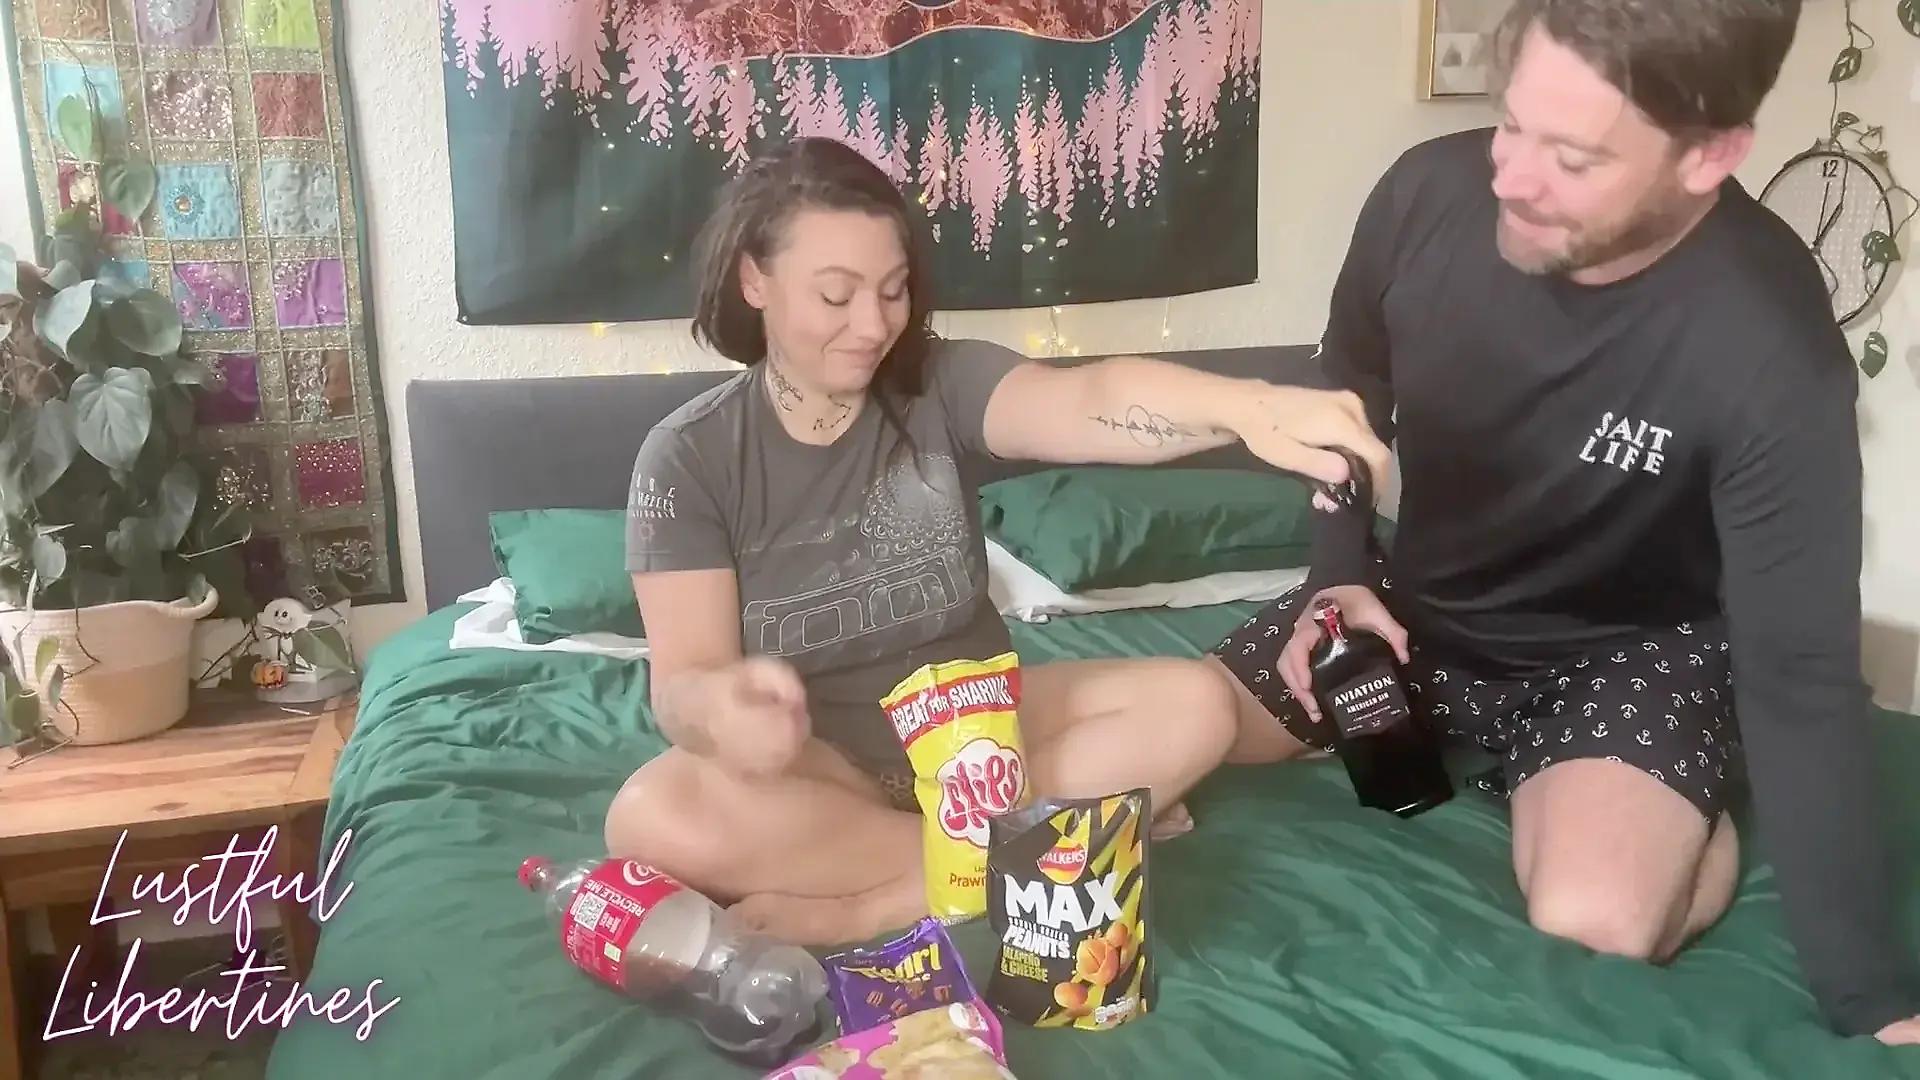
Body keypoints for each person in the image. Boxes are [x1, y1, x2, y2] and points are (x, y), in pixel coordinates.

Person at [1206, 0, 1920, 1044]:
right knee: (1174, 724)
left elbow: (1802, 675)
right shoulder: (1423, 197)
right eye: (1512, 124)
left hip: (1627, 652)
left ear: (1709, 155)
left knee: (1596, 918)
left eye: (1573, 158)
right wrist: (1337, 571)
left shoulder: (1769, 345)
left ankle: (1682, 805)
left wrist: (1873, 1002)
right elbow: (1349, 387)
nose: (1511, 177)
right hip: (1420, 612)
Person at [602, 135, 1389, 946]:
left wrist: (1250, 409)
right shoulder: (689, 457)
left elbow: (1088, 398)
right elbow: (682, 682)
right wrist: (720, 710)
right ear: (754, 281)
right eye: (836, 296)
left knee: (1199, 706)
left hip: (987, 744)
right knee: (650, 816)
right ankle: (1047, 846)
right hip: (821, 767)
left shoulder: (940, 383)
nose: (873, 325)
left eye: (894, 291)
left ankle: (891, 895)